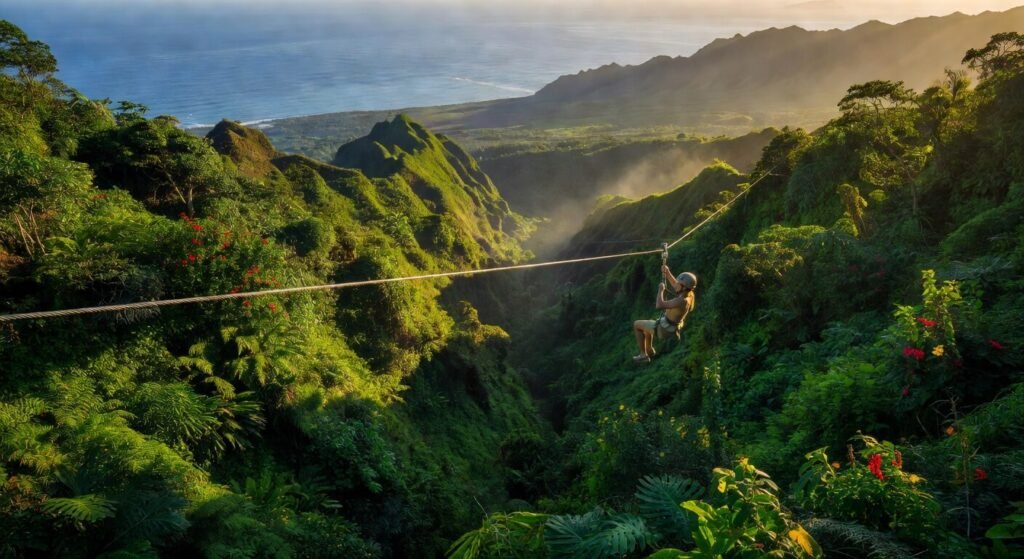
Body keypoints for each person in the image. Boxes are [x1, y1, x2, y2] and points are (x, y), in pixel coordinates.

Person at [632, 264, 696, 363]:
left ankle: (643, 355)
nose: (676, 285)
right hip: (669, 326)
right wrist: (667, 272)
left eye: (679, 284)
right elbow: (676, 284)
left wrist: (660, 290)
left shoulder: (682, 301)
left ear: (683, 287)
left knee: (637, 324)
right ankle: (649, 350)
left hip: (664, 330)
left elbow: (659, 305)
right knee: (646, 328)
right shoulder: (689, 294)